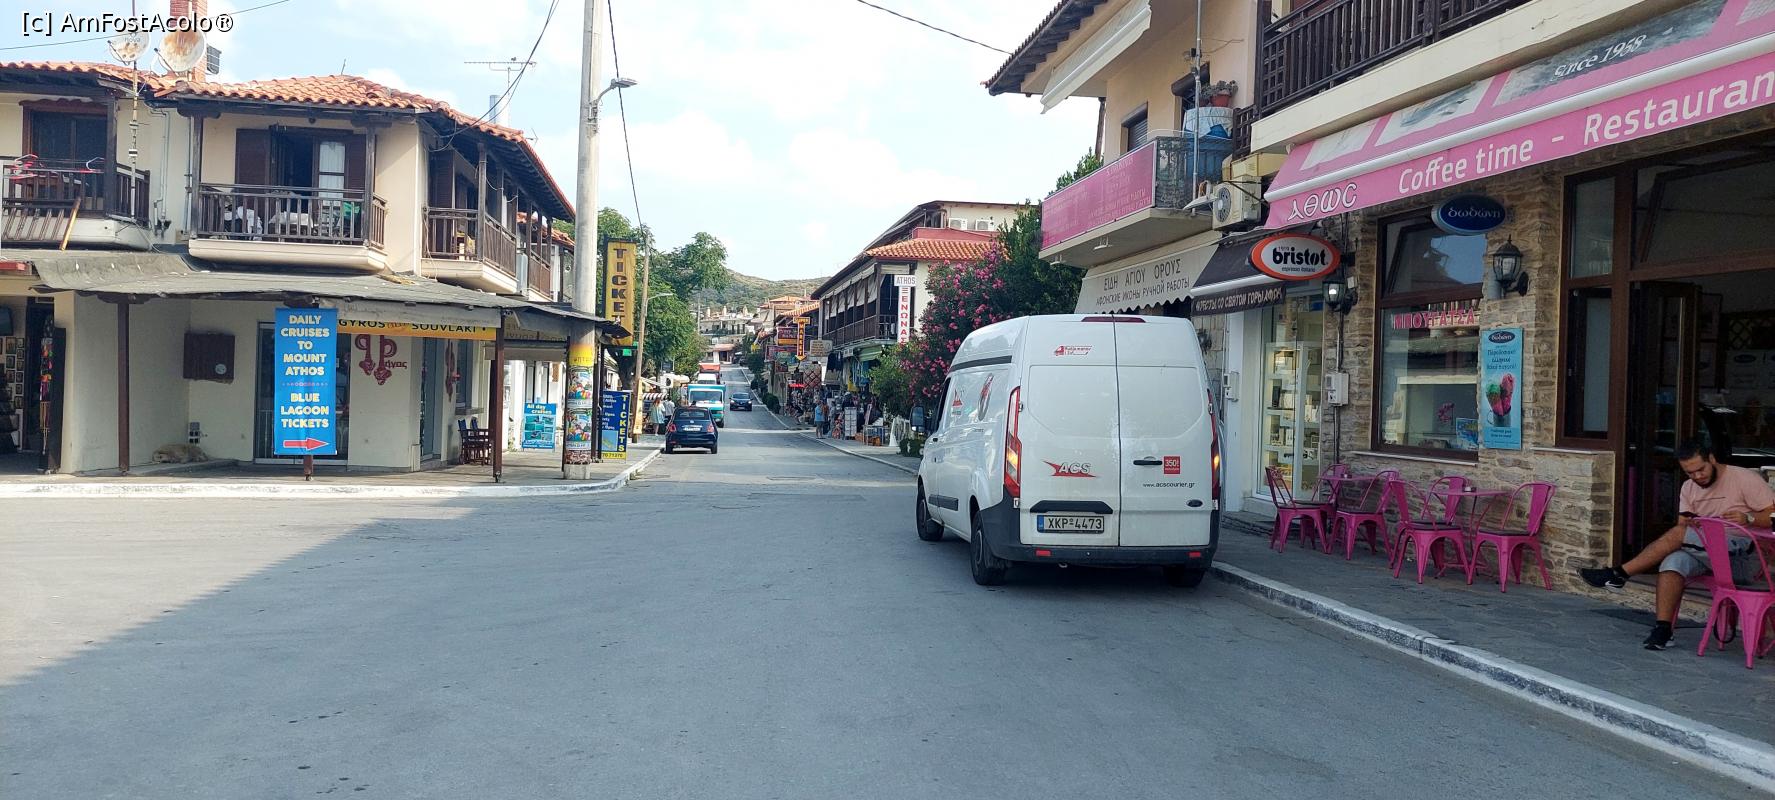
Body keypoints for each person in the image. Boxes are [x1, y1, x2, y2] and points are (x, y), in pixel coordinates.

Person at [1579, 440, 1775, 650]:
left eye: (1701, 469)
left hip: (1744, 558)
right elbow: (1683, 524)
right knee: (1673, 562)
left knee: (1679, 534)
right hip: (1708, 552)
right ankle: (1663, 630)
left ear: (1712, 459)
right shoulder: (1689, 488)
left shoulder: (1744, 478)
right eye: (1690, 473)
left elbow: (1772, 516)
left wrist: (1749, 518)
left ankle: (1618, 574)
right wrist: (1694, 526)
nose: (1697, 476)